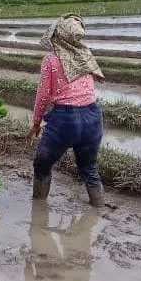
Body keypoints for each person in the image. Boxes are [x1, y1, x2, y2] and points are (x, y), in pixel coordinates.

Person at [28, 13, 106, 207]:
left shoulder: (51, 60)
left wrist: (36, 123)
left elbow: (44, 95)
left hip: (65, 121)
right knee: (89, 168)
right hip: (93, 117)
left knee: (42, 163)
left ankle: (38, 211)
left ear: (58, 35)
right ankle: (99, 208)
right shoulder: (86, 54)